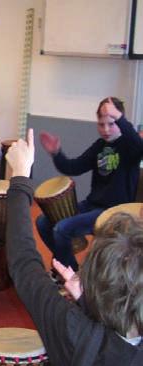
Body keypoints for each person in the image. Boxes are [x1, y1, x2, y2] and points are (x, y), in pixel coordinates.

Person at [6, 129, 143, 366]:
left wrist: (20, 179)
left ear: (93, 276)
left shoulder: (71, 328)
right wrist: (86, 301)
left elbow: (24, 262)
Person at [37, 97, 143, 273]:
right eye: (101, 124)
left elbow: (139, 145)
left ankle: (68, 276)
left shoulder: (129, 146)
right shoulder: (100, 146)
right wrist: (56, 153)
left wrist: (117, 116)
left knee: (61, 229)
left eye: (112, 123)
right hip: (92, 205)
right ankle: (71, 270)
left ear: (121, 120)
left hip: (115, 212)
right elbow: (73, 167)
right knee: (43, 222)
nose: (106, 130)